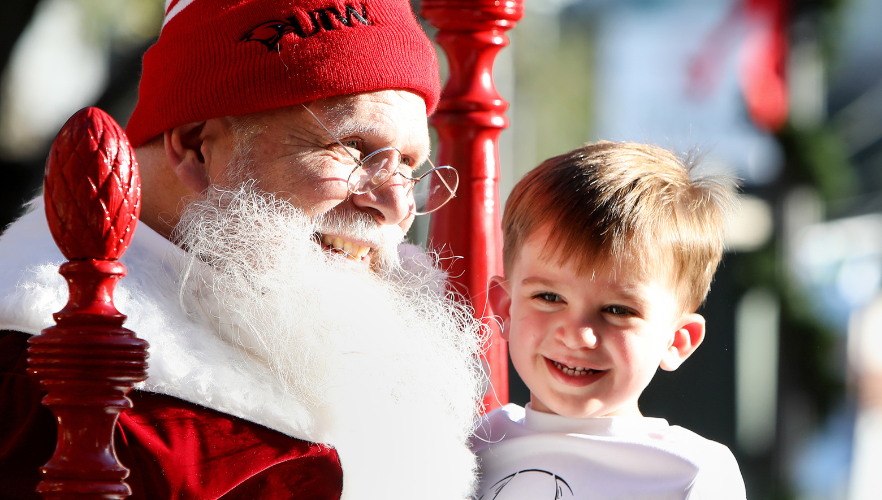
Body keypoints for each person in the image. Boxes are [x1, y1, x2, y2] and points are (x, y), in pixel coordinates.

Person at [0, 0, 486, 499]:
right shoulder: (38, 381)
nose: (397, 203)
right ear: (195, 146)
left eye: (408, 164)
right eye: (357, 149)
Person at [475, 142, 746, 499]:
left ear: (677, 339)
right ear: (505, 308)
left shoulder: (690, 472)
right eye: (549, 297)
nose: (577, 336)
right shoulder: (468, 447)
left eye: (618, 310)